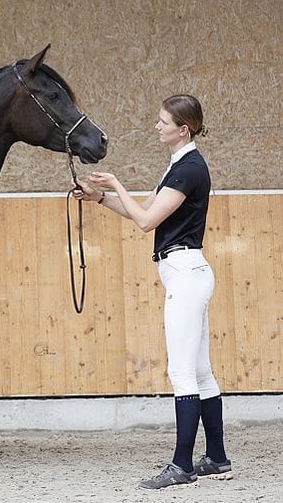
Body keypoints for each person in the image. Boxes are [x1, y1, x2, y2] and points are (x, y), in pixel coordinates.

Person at [73, 94, 233, 489]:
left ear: (183, 129)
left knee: (182, 373)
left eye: (164, 122)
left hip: (185, 273)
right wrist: (100, 198)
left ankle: (182, 466)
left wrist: (115, 183)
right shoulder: (180, 166)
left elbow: (145, 221)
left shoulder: (188, 169)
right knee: (200, 371)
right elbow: (143, 209)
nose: (157, 126)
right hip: (187, 272)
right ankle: (216, 458)